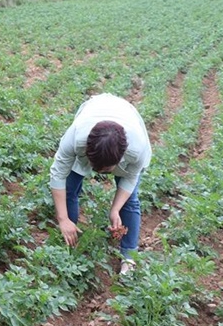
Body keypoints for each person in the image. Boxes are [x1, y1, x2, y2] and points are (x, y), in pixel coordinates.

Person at [49, 93, 152, 275]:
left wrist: (115, 210)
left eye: (106, 169)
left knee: (130, 200)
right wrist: (63, 219)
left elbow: (130, 178)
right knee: (70, 188)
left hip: (126, 115)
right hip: (93, 110)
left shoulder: (137, 149)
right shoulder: (76, 138)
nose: (100, 173)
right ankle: (71, 247)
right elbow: (58, 175)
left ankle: (129, 258)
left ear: (120, 159)